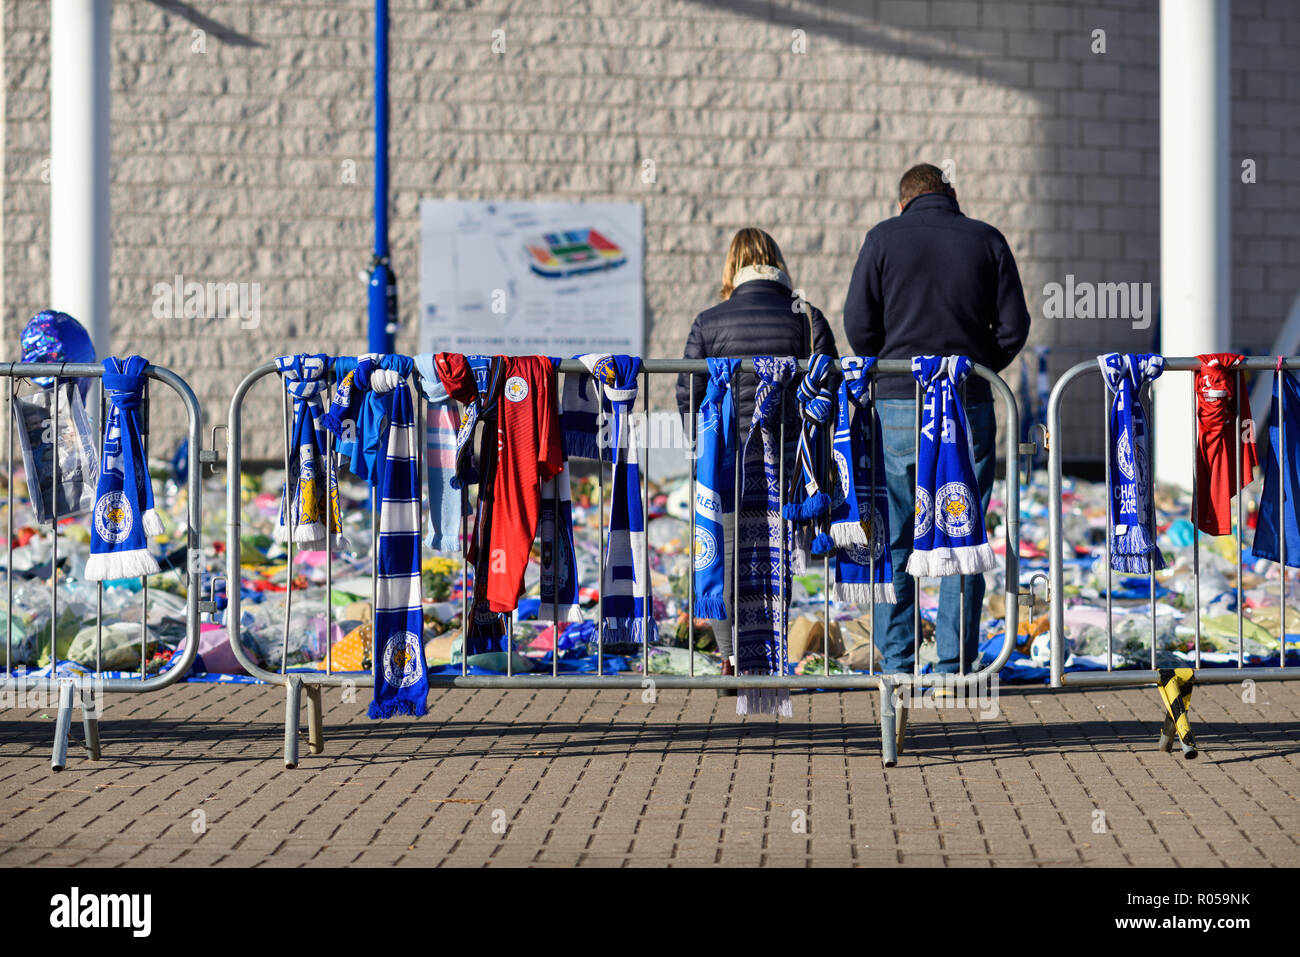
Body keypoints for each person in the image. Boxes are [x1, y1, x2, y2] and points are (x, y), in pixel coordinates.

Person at [843, 163, 1030, 677]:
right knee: (961, 535)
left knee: (896, 534)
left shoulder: (882, 239)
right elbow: (1015, 326)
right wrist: (976, 364)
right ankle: (954, 665)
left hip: (900, 406)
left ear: (902, 202)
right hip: (967, 404)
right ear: (952, 193)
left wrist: (897, 365)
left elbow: (858, 326)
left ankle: (898, 666)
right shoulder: (987, 240)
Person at [677, 227, 839, 691]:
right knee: (773, 559)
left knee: (726, 559)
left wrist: (707, 447)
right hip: (787, 464)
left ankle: (730, 659)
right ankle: (765, 656)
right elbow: (828, 388)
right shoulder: (806, 320)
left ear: (732, 267)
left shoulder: (709, 321)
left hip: (727, 461)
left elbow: (687, 392)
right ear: (778, 263)